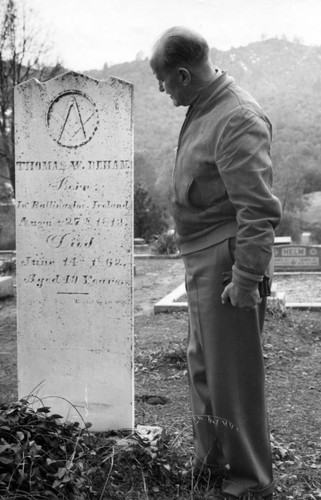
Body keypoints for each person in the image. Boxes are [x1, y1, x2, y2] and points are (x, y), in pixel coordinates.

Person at [149, 27, 282, 500]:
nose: (163, 92)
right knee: (203, 368)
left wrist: (246, 277)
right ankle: (212, 463)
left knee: (233, 376)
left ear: (183, 74)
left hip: (228, 262)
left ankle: (249, 480)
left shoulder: (236, 116)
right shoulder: (206, 107)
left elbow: (259, 210)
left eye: (165, 83)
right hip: (203, 256)